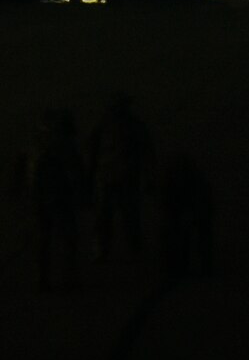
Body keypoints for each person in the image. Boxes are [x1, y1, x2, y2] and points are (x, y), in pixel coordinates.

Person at [87, 94, 154, 262]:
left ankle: (119, 249)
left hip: (116, 177)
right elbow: (92, 152)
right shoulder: (131, 126)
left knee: (120, 216)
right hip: (118, 177)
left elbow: (92, 153)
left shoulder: (109, 125)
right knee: (116, 216)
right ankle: (119, 249)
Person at [24, 109, 85, 292]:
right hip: (59, 198)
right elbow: (74, 173)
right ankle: (68, 278)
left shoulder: (36, 144)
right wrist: (81, 194)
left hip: (38, 199)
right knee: (67, 239)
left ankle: (41, 279)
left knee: (42, 240)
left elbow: (26, 171)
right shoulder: (65, 145)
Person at [159, 150, 215, 279]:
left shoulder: (197, 183)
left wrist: (190, 216)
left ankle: (202, 266)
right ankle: (180, 265)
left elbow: (203, 205)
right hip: (184, 209)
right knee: (178, 234)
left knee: (200, 236)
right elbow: (167, 204)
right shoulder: (171, 182)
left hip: (199, 210)